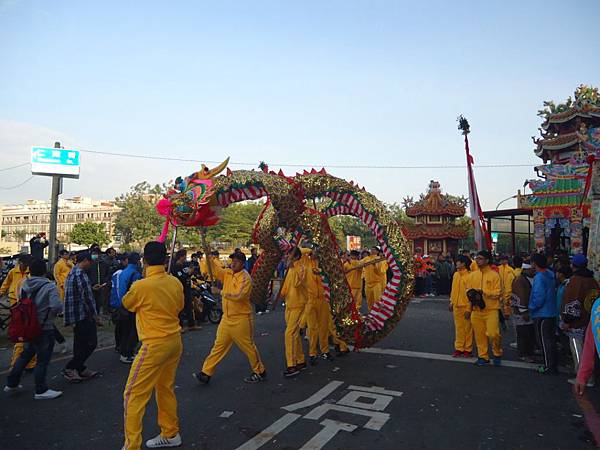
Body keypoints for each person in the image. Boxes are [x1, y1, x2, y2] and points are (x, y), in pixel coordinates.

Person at [121, 241, 185, 450]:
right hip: (174, 341)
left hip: (154, 345)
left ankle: (132, 446)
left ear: (144, 260)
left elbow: (127, 303)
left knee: (133, 395)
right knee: (164, 388)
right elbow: (180, 306)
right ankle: (170, 432)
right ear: (166, 258)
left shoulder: (141, 286)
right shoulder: (174, 282)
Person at [193, 252, 266, 384]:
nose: (233, 263)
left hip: (241, 319)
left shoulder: (245, 278)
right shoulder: (227, 273)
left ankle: (260, 371)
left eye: (236, 261)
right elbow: (215, 271)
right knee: (218, 346)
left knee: (248, 347)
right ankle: (206, 372)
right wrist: (208, 258)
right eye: (232, 261)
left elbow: (239, 296)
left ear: (243, 264)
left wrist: (220, 292)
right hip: (227, 319)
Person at [4, 259, 63, 400]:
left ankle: (11, 383)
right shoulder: (49, 286)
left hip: (28, 326)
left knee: (25, 355)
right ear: (44, 270)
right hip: (44, 327)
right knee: (42, 360)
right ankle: (40, 390)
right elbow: (56, 306)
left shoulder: (24, 284)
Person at [62, 252, 100, 382]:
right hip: (82, 314)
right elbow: (87, 298)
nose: (91, 264)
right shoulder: (80, 274)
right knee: (90, 343)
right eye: (90, 262)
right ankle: (71, 368)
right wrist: (95, 316)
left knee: (80, 344)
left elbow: (81, 291)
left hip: (76, 314)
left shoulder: (73, 272)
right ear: (85, 260)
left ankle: (79, 368)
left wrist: (91, 288)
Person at [561, 254, 599, 384]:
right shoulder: (592, 281)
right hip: (591, 319)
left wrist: (567, 320)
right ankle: (590, 375)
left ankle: (583, 378)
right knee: (590, 350)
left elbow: (571, 302)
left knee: (578, 349)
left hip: (576, 322)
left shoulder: (575, 281)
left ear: (574, 265)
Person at [465, 250, 502, 366]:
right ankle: (483, 356)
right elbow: (468, 294)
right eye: (477, 258)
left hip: (491, 310)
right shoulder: (472, 276)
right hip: (476, 310)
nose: (478, 260)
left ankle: (497, 352)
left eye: (480, 258)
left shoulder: (494, 275)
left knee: (493, 333)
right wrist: (468, 309)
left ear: (487, 260)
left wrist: (484, 292)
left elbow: (498, 292)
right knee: (479, 336)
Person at [1, 254, 36, 369]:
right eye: (23, 264)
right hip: (14, 302)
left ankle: (29, 362)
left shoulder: (29, 273)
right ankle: (18, 362)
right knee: (22, 331)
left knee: (27, 333)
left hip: (26, 304)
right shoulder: (12, 272)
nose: (24, 266)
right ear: (19, 262)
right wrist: (1, 293)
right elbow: (6, 284)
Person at [278, 247, 307, 377]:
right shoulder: (290, 269)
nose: (286, 257)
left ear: (295, 257)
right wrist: (281, 294)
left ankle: (292, 365)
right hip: (289, 304)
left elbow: (296, 283)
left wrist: (293, 267)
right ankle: (300, 360)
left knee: (289, 334)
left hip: (299, 305)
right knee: (294, 334)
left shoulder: (301, 268)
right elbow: (286, 286)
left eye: (289, 255)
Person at [530, 253, 558, 374]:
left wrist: (531, 307)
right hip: (551, 312)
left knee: (543, 340)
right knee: (550, 340)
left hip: (542, 313)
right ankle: (552, 363)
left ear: (534, 264)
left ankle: (548, 366)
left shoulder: (539, 277)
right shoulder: (551, 275)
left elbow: (538, 297)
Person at [117, 253, 143, 363]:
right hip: (132, 305)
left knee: (126, 331)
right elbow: (137, 291)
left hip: (123, 304)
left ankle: (125, 352)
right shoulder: (135, 273)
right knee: (133, 331)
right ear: (138, 261)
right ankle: (127, 353)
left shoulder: (124, 272)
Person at [510, 263, 536, 362]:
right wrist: (524, 311)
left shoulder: (526, 279)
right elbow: (521, 297)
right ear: (525, 270)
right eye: (532, 270)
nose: (533, 272)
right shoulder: (520, 281)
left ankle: (528, 352)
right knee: (523, 333)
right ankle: (523, 354)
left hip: (525, 310)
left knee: (528, 333)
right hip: (521, 312)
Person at [449, 255, 472, 357]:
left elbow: (471, 295)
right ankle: (459, 348)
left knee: (468, 328)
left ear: (464, 264)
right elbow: (453, 290)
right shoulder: (456, 275)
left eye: (458, 262)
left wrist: (468, 308)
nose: (456, 263)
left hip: (465, 306)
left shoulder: (470, 276)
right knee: (458, 328)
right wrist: (451, 302)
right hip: (456, 305)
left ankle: (468, 349)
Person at [171, 250, 199, 331]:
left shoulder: (185, 264)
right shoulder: (175, 266)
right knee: (180, 307)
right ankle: (180, 326)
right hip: (179, 288)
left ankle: (191, 324)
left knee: (189, 306)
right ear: (181, 257)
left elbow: (189, 273)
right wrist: (188, 273)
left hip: (187, 288)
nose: (185, 258)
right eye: (184, 256)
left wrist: (191, 272)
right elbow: (181, 277)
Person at [87, 246, 109, 315]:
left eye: (95, 254)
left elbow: (107, 274)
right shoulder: (89, 264)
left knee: (99, 303)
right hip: (92, 286)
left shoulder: (104, 264)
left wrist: (104, 283)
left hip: (101, 286)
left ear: (99, 255)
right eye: (93, 254)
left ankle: (97, 316)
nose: (94, 256)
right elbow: (87, 275)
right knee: (90, 302)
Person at [498, 255, 516, 320]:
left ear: (507, 260)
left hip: (509, 294)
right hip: (500, 294)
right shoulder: (498, 269)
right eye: (501, 260)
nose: (502, 261)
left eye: (504, 259)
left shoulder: (510, 270)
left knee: (509, 315)